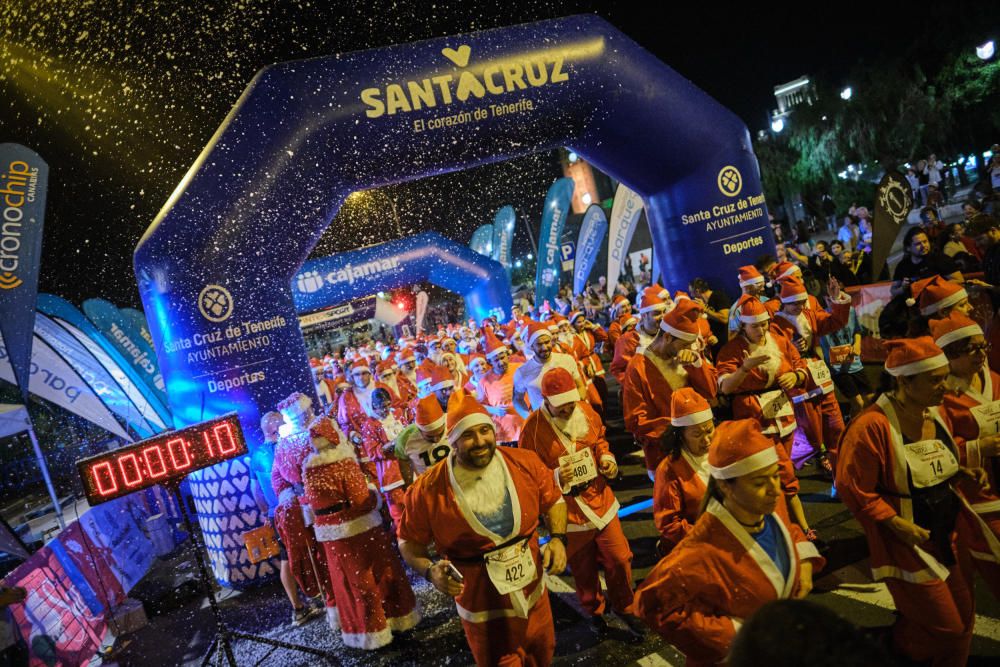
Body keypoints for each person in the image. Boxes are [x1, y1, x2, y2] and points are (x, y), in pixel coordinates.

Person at [836, 337, 981, 666]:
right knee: (946, 626)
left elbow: (928, 464)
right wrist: (894, 521)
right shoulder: (871, 426)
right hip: (908, 545)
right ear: (903, 380)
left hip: (949, 535)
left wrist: (960, 472)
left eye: (944, 377)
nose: (944, 386)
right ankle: (886, 649)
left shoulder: (935, 411)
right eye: (934, 379)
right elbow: (851, 486)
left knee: (965, 621)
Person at [634, 419, 824, 666]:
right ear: (725, 486)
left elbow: (789, 530)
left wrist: (805, 561)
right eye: (758, 483)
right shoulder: (703, 546)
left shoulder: (766, 503)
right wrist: (739, 636)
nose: (774, 490)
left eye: (775, 476)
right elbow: (651, 603)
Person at [397, 393, 568, 667]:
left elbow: (554, 499)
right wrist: (430, 572)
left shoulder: (524, 461)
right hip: (483, 610)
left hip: (534, 596)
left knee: (543, 656)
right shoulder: (428, 489)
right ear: (452, 442)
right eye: (468, 435)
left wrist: (559, 538)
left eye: (485, 430)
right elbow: (408, 542)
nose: (480, 442)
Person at [518, 368, 643, 639]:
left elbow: (599, 441)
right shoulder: (532, 429)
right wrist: (552, 476)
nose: (567, 410)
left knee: (620, 558)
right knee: (583, 570)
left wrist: (607, 459)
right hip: (568, 512)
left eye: (570, 404)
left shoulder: (585, 411)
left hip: (600, 499)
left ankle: (625, 605)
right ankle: (594, 610)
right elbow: (527, 473)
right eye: (561, 406)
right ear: (546, 401)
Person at [302, 417, 420, 649]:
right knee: (375, 576)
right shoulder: (344, 463)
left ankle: (362, 629)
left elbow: (311, 505)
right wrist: (375, 496)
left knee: (348, 583)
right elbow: (360, 501)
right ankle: (390, 621)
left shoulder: (309, 468)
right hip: (359, 530)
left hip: (330, 535)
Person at [716, 295, 812, 535]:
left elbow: (800, 365)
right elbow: (725, 387)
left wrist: (796, 377)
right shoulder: (732, 350)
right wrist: (745, 368)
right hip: (754, 419)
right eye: (755, 325)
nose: (762, 329)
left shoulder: (779, 340)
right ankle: (800, 529)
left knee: (783, 469)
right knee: (783, 474)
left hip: (784, 415)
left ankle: (780, 526)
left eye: (764, 324)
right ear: (743, 326)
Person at [931, 312, 1000, 599]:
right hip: (977, 494)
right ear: (948, 354)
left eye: (983, 346)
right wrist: (976, 448)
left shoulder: (994, 379)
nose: (980, 354)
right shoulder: (939, 395)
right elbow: (934, 449)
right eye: (971, 348)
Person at [622, 300, 718, 480]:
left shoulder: (689, 355)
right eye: (684, 345)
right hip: (664, 451)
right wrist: (682, 427)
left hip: (700, 445)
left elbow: (711, 392)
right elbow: (635, 421)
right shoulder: (638, 367)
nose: (689, 349)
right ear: (667, 337)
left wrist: (697, 364)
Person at [271, 393, 339, 630]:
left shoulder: (323, 428)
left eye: (307, 411)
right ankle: (336, 609)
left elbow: (340, 459)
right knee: (324, 560)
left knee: (340, 555)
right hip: (310, 509)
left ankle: (350, 605)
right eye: (302, 413)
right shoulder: (285, 443)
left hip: (334, 498)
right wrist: (290, 498)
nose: (307, 415)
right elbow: (278, 478)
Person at [770, 276, 851, 473]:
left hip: (820, 377)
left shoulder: (809, 315)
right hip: (799, 384)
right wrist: (791, 348)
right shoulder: (775, 325)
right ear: (784, 302)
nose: (799, 306)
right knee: (812, 436)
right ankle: (784, 465)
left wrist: (836, 298)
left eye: (801, 301)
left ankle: (840, 477)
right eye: (794, 303)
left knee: (837, 429)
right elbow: (774, 355)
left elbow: (836, 321)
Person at [249, 410, 322, 625]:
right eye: (282, 423)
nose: (285, 426)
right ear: (274, 428)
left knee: (286, 559)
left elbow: (256, 491)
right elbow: (297, 478)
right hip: (294, 508)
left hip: (275, 514)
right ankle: (325, 596)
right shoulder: (283, 448)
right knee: (313, 549)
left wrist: (266, 512)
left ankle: (298, 609)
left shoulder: (255, 455)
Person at [652, 387, 714, 555]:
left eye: (709, 430)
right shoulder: (669, 470)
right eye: (697, 435)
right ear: (681, 435)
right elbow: (670, 524)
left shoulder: (722, 452)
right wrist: (710, 535)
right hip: (694, 545)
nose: (707, 440)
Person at [513, 321, 587, 417]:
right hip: (545, 422)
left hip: (572, 417)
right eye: (539, 344)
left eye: (547, 342)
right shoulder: (523, 372)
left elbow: (580, 386)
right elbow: (517, 399)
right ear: (531, 346)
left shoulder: (566, 360)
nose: (544, 347)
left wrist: (577, 406)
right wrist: (529, 418)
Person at [359, 388, 408, 527]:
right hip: (391, 473)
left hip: (408, 466)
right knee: (400, 513)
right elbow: (372, 452)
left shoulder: (397, 414)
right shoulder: (370, 424)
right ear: (373, 406)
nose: (386, 409)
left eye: (388, 405)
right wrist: (390, 445)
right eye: (381, 407)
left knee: (415, 504)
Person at [610, 287, 669, 383]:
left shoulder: (667, 334)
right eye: (657, 313)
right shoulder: (629, 339)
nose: (663, 316)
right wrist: (637, 386)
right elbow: (618, 370)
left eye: (664, 312)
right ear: (644, 316)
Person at [478, 330, 526, 446]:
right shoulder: (484, 381)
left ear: (507, 355)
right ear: (490, 361)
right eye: (496, 360)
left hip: (527, 424)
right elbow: (479, 406)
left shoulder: (521, 369)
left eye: (502, 357)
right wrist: (493, 410)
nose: (501, 362)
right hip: (506, 433)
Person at [392, 393, 452, 484]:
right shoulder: (406, 438)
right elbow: (404, 464)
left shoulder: (453, 422)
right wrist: (410, 487)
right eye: (429, 436)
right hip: (430, 486)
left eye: (440, 434)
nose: (436, 440)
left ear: (444, 424)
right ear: (419, 430)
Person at [890, 227, 962, 298]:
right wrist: (903, 288)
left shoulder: (940, 258)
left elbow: (959, 279)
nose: (923, 246)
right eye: (918, 244)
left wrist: (931, 288)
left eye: (925, 241)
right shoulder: (903, 266)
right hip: (914, 304)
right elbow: (893, 291)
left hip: (939, 300)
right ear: (908, 248)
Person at [688, 278, 729, 353]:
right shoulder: (701, 303)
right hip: (711, 342)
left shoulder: (718, 296)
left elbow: (725, 318)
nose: (691, 295)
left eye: (691, 292)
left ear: (697, 291)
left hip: (723, 341)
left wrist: (705, 309)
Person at [727, 266, 768, 339]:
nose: (762, 289)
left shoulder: (766, 300)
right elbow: (732, 338)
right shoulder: (736, 309)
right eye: (759, 286)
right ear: (747, 287)